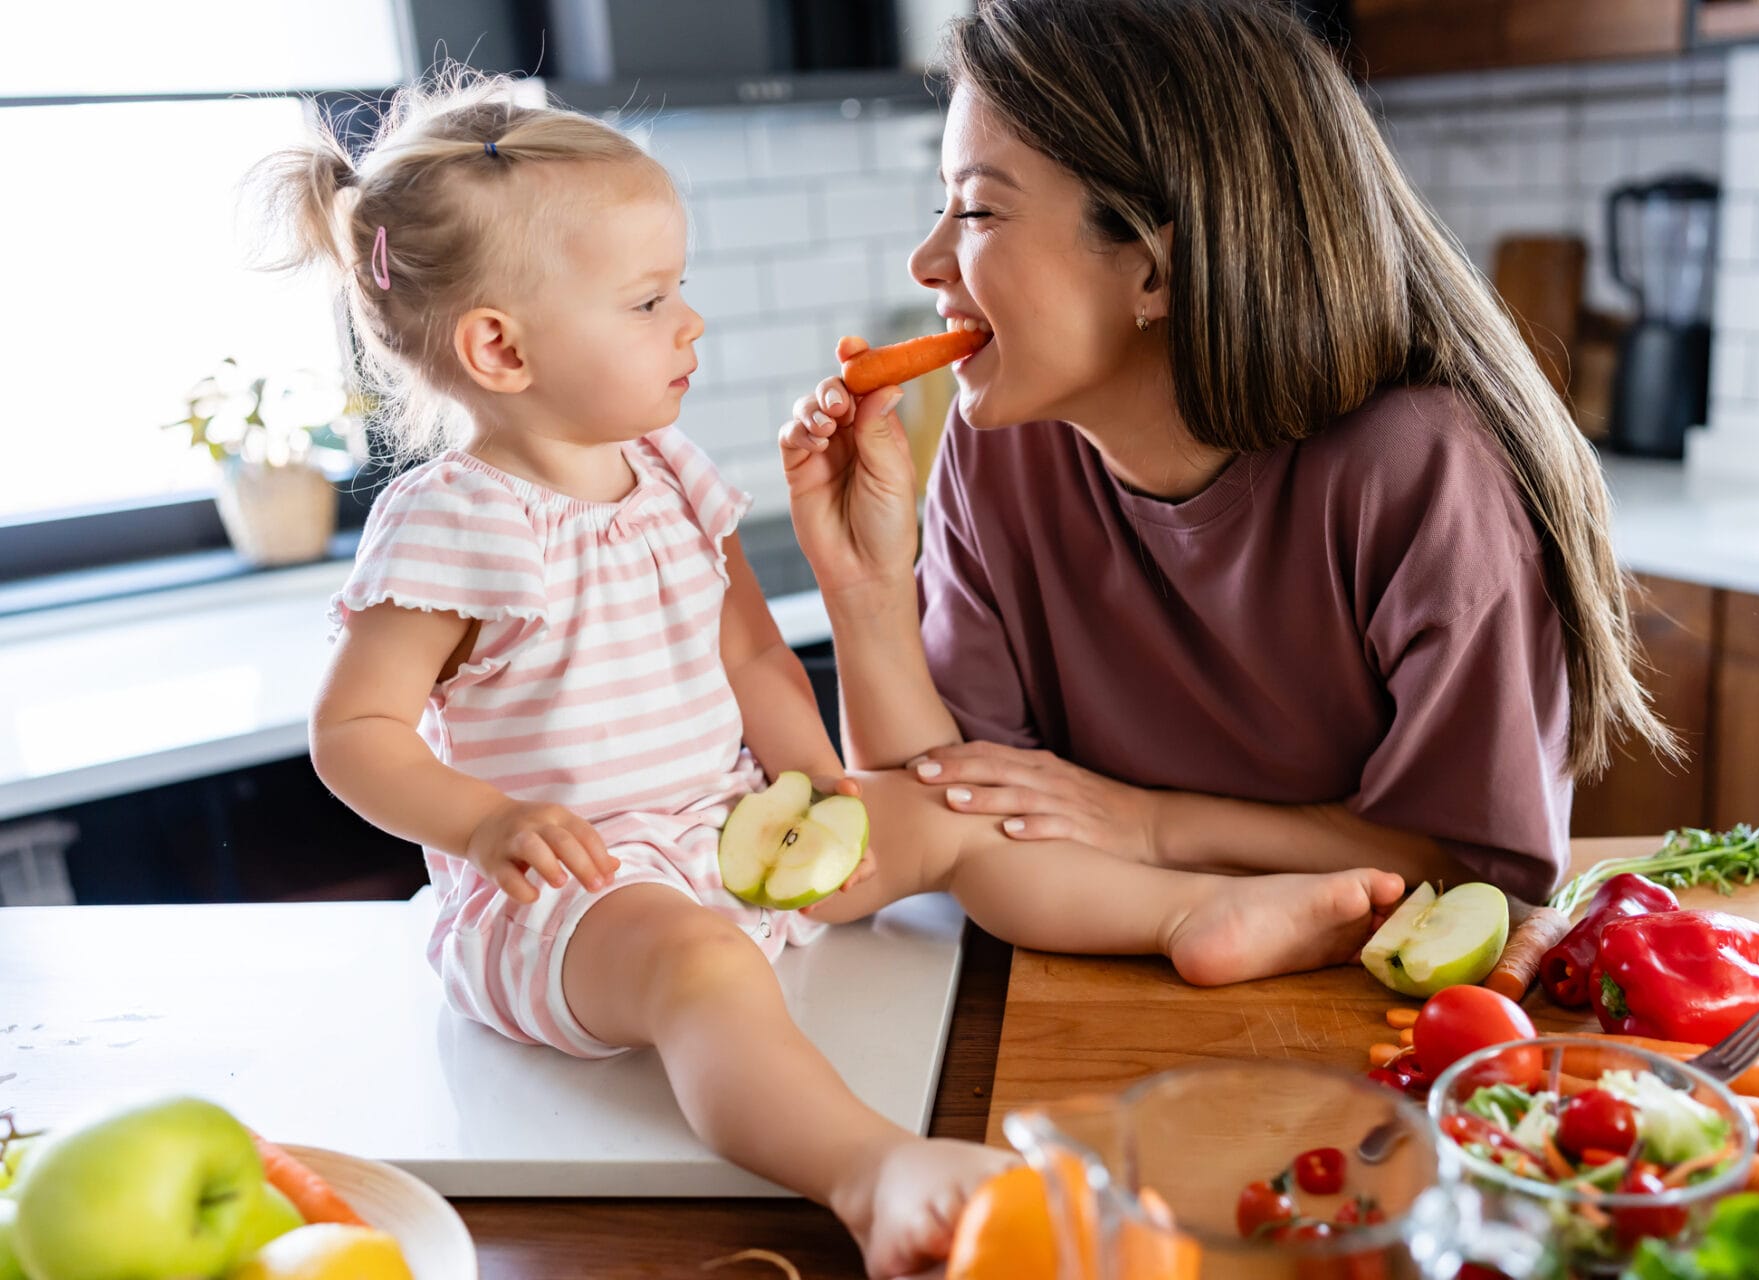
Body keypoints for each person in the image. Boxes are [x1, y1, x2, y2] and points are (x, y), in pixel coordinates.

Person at [265, 69, 1396, 1277]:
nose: (689, 323)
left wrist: (817, 784)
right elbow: (357, 731)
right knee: (698, 967)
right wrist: (486, 822)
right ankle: (869, 1168)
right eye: (648, 301)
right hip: (569, 901)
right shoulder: (456, 520)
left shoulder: (667, 469)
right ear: (500, 346)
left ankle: (1189, 913)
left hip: (720, 835)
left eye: (680, 287)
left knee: (952, 808)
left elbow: (751, 646)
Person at [781, 0, 1673, 911]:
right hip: (1097, 972)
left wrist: (1148, 824)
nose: (926, 261)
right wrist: (866, 590)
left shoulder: (1420, 474)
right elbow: (942, 810)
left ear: (1156, 270)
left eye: (977, 210)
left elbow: (1480, 865)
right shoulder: (997, 447)